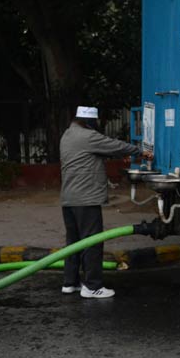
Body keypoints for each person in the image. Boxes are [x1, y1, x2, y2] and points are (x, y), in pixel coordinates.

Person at [59, 106, 153, 299]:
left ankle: (70, 282)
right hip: (86, 199)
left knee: (74, 242)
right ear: (89, 122)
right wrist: (140, 152)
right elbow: (114, 145)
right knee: (92, 242)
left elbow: (91, 155)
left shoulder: (68, 135)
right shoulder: (87, 136)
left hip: (69, 199)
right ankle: (92, 286)